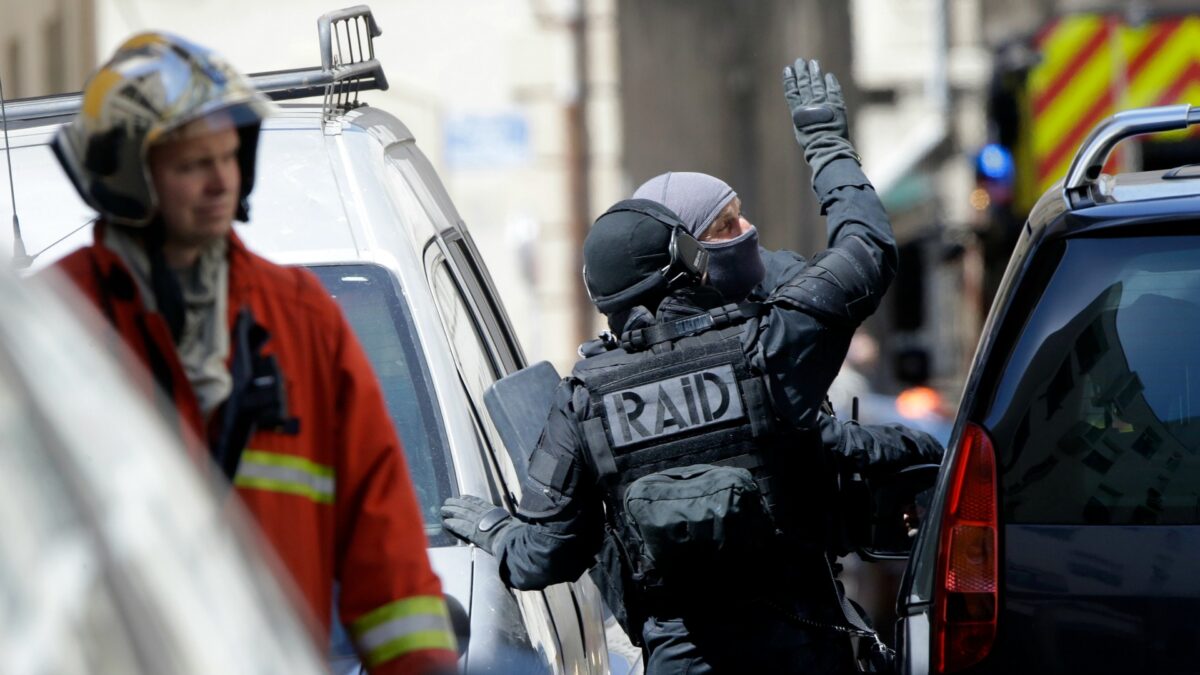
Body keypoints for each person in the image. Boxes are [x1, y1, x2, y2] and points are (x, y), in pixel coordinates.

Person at [441, 58, 942, 673]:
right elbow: (866, 249)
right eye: (726, 227)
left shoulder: (585, 402)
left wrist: (495, 531)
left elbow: (543, 557)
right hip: (806, 646)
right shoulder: (771, 347)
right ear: (687, 261)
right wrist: (825, 142)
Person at [49, 34, 457, 674]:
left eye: (228, 157)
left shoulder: (300, 318)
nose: (220, 182)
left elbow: (384, 546)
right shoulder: (53, 321)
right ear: (127, 178)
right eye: (192, 165)